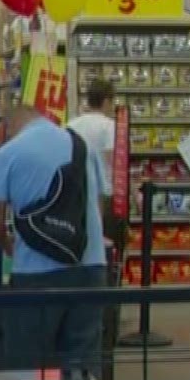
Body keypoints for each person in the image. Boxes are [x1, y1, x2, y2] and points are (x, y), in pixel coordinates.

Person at [0, 103, 106, 380]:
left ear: (7, 127)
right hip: (91, 268)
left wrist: (12, 249)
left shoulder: (7, 155)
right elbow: (99, 205)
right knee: (80, 357)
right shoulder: (83, 145)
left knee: (27, 362)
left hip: (36, 274)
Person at [68, 77, 123, 254]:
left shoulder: (71, 125)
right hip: (104, 197)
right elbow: (115, 162)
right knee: (108, 247)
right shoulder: (109, 126)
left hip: (76, 194)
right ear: (106, 101)